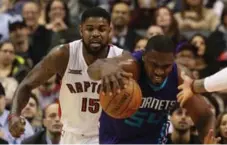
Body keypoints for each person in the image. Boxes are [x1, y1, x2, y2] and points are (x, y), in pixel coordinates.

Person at [8, 7, 123, 144]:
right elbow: (26, 84)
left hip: (105, 136)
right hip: (69, 136)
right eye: (90, 29)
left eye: (102, 29)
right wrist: (14, 115)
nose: (96, 34)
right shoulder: (64, 54)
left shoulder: (121, 58)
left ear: (110, 31)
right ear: (81, 30)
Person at [87, 35, 215, 144]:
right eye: (154, 64)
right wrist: (105, 68)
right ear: (144, 57)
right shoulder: (131, 66)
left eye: (166, 66)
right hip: (115, 140)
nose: (159, 71)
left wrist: (208, 140)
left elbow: (204, 116)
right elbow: (93, 68)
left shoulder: (180, 78)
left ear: (173, 61)